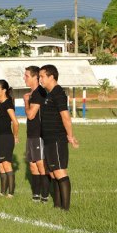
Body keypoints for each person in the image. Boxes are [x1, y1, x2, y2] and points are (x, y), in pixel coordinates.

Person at [39, 64, 79, 211]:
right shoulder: (48, 94)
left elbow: (65, 117)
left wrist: (70, 136)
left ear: (51, 77)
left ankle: (65, 208)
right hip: (48, 139)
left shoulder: (58, 93)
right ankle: (57, 205)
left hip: (57, 138)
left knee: (60, 171)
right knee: (53, 173)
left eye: (42, 76)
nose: (40, 79)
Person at [23, 66, 51, 203]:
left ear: (35, 77)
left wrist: (26, 101)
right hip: (31, 134)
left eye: (27, 76)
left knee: (41, 166)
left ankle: (45, 197)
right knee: (33, 165)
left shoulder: (39, 92)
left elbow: (30, 114)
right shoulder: (33, 93)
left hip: (39, 134)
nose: (24, 78)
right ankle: (36, 195)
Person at [0, 79, 19, 198]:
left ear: (4, 90)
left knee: (6, 164)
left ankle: (11, 193)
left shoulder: (8, 103)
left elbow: (15, 122)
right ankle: (3, 191)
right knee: (0, 164)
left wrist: (15, 136)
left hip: (6, 137)